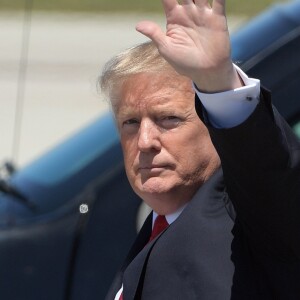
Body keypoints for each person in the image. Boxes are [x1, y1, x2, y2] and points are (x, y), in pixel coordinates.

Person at [101, 0, 300, 299]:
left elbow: (268, 169)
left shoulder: (249, 218)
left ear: (213, 123)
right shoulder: (155, 227)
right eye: (130, 122)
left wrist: (218, 84)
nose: (145, 141)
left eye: (168, 119)